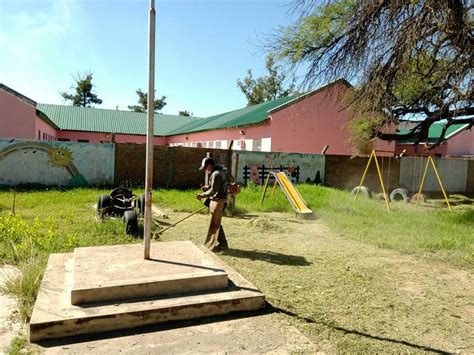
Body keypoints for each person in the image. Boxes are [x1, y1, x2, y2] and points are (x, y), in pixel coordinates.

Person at [195, 157, 229, 252]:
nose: (206, 170)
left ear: (209, 165)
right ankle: (222, 244)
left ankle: (223, 245)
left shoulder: (216, 174)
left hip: (219, 201)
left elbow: (213, 190)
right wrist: (206, 187)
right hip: (219, 200)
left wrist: (201, 196)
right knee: (216, 223)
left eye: (206, 167)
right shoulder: (217, 172)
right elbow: (213, 187)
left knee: (216, 224)